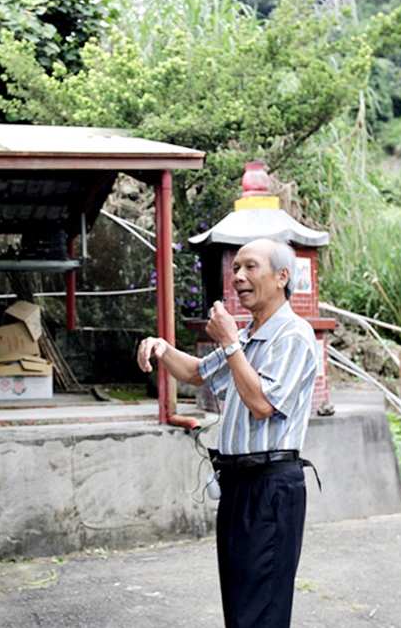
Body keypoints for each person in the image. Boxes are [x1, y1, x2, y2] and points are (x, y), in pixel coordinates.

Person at [136, 238, 318, 628]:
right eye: (235, 268)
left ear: (282, 276)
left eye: (250, 267)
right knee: (240, 603)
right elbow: (196, 372)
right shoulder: (250, 334)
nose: (238, 277)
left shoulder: (293, 335)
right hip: (238, 484)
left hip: (271, 486)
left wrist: (231, 342)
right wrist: (162, 348)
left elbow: (263, 404)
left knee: (261, 607)